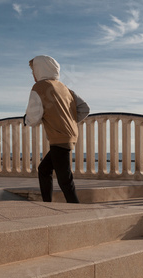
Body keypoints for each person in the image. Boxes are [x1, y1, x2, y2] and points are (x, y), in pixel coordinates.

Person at [24, 55, 89, 203]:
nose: (33, 74)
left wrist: (26, 121)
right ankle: (47, 202)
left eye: (33, 70)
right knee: (44, 170)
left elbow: (34, 116)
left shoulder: (39, 87)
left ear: (40, 70)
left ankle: (76, 208)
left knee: (65, 179)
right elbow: (85, 108)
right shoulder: (64, 87)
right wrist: (68, 121)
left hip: (59, 137)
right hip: (69, 135)